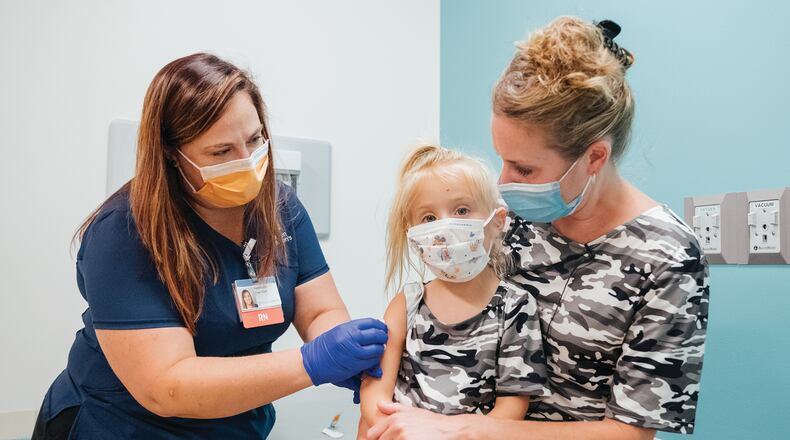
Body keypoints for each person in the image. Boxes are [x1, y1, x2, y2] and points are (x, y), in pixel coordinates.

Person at [366, 17, 709, 440]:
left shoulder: (668, 257)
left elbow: (630, 433)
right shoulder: (508, 221)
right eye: (502, 159)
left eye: (524, 168)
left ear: (594, 158)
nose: (503, 183)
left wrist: (465, 430)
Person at [32, 53, 388, 439]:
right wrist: (313, 363)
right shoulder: (125, 232)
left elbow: (319, 309)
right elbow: (167, 386)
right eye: (221, 152)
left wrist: (342, 350)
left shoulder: (281, 209)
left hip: (233, 425)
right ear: (171, 152)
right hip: (122, 426)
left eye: (255, 140)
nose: (247, 161)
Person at [357, 145, 549, 437]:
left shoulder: (516, 308)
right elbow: (375, 393)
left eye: (461, 210)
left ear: (497, 221)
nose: (445, 226)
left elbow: (511, 411)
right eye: (429, 218)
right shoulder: (406, 304)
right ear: (413, 235)